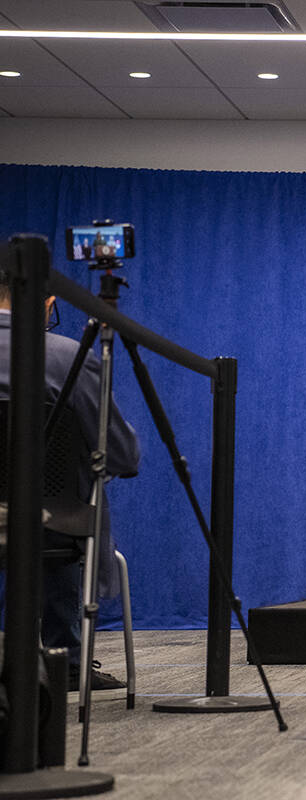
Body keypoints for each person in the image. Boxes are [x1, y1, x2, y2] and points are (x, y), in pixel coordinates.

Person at [0, 270, 141, 692]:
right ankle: (66, 658)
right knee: (71, 497)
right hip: (51, 525)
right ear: (47, 303)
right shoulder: (68, 356)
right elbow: (123, 455)